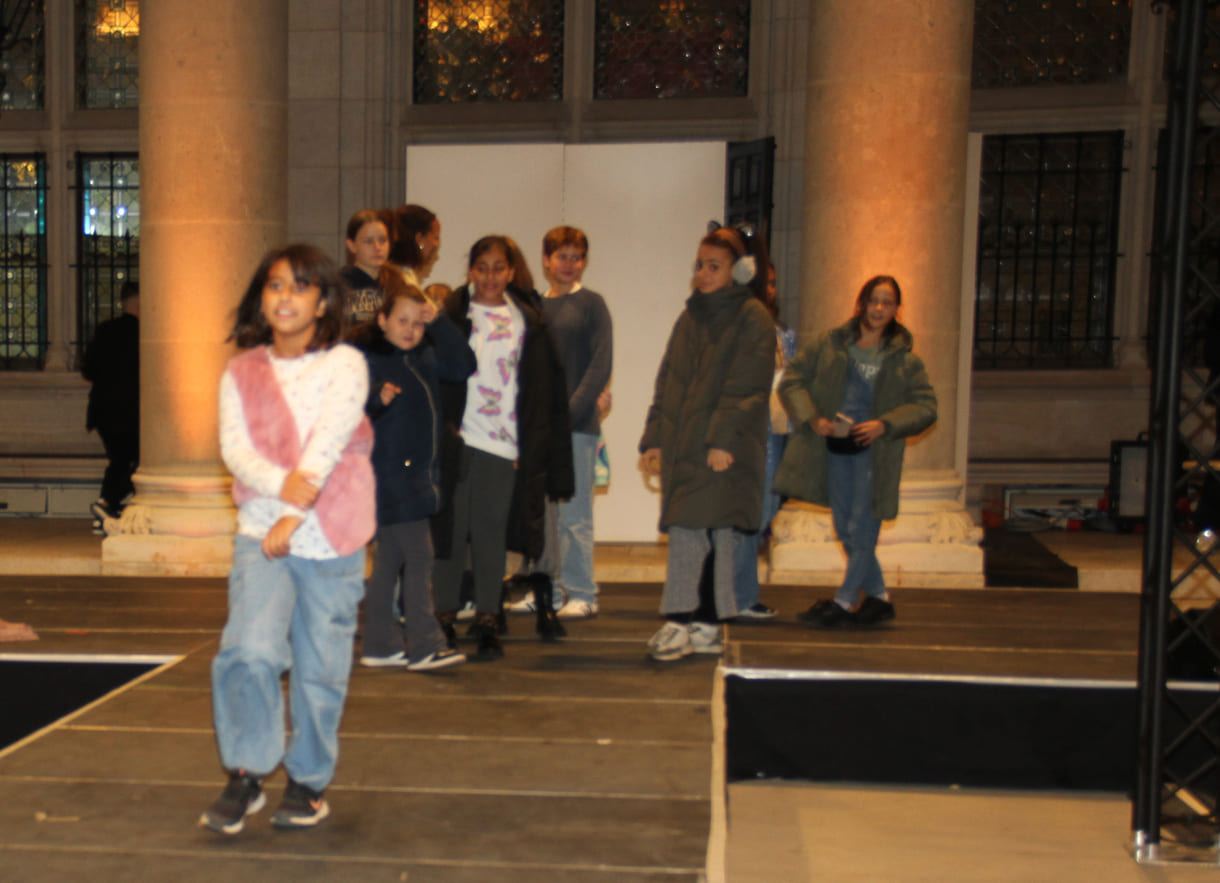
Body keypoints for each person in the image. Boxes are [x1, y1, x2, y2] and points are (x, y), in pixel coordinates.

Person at [200, 244, 375, 835]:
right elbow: (234, 448)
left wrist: (292, 517)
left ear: (322, 300)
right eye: (275, 286)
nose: (285, 298)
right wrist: (278, 493)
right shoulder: (241, 370)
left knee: (320, 669)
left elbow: (326, 449)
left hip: (333, 533)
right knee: (247, 651)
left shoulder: (345, 364)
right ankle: (248, 772)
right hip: (260, 533)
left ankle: (309, 781)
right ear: (261, 297)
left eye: (300, 287)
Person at [432, 235, 573, 659]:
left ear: (511, 271)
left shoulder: (527, 321)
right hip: (459, 440)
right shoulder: (452, 315)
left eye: (499, 267)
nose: (490, 276)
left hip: (504, 443)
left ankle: (489, 617)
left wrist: (532, 449)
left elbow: (540, 390)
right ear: (470, 271)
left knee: (491, 535)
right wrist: (443, 429)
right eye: (482, 267)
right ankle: (444, 616)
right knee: (451, 534)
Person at [638, 224, 774, 662]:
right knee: (704, 532)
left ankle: (681, 621)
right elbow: (668, 380)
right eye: (700, 265)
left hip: (720, 448)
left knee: (694, 533)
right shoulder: (690, 316)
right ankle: (708, 624)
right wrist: (655, 437)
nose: (703, 273)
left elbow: (747, 387)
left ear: (741, 269)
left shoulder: (752, 317)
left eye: (714, 266)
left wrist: (722, 441)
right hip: (685, 445)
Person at [774, 274, 937, 628]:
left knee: (863, 529)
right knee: (846, 529)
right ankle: (878, 598)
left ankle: (845, 601)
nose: (879, 308)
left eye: (888, 302)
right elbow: (792, 381)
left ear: (896, 309)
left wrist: (885, 424)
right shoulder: (828, 344)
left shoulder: (906, 361)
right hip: (834, 451)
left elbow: (926, 407)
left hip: (875, 457)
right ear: (860, 304)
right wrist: (812, 418)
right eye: (873, 300)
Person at [355, 268, 474, 671]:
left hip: (416, 476)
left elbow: (462, 366)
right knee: (421, 556)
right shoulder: (369, 361)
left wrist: (437, 320)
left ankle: (379, 644)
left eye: (416, 322)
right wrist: (377, 399)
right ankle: (425, 644)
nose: (409, 329)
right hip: (391, 477)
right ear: (382, 320)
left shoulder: (423, 357)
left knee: (389, 560)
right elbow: (350, 407)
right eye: (401, 321)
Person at [507, 226, 612, 621]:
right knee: (543, 516)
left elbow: (601, 364)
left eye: (576, 256)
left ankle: (582, 590)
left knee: (574, 514)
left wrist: (567, 414)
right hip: (538, 430)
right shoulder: (534, 308)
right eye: (562, 256)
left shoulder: (592, 305)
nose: (569, 264)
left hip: (577, 428)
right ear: (546, 260)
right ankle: (545, 588)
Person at [732, 265, 797, 619]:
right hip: (743, 430)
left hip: (776, 429)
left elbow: (792, 380)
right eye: (764, 283)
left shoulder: (785, 333)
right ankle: (739, 595)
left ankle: (743, 594)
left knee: (765, 512)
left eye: (773, 283)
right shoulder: (735, 326)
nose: (769, 289)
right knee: (747, 514)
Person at [83, 281, 140, 531]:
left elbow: (88, 370)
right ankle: (106, 503)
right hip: (131, 411)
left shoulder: (105, 330)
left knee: (120, 459)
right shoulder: (146, 334)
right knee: (137, 462)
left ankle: (107, 512)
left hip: (104, 411)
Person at [339, 209, 390, 325]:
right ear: (351, 245)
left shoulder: (397, 284)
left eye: (383, 240)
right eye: (368, 241)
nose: (377, 247)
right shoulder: (339, 284)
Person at [387, 204, 441, 289]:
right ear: (419, 239)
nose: (437, 244)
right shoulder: (403, 281)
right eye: (436, 237)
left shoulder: (396, 276)